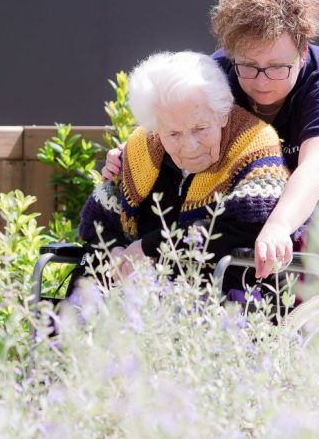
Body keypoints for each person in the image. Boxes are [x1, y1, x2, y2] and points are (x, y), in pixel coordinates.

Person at [104, 0, 319, 332]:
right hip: (287, 198)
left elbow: (317, 169)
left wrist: (278, 227)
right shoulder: (220, 72)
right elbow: (177, 117)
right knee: (286, 319)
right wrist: (133, 151)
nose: (262, 80)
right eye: (249, 66)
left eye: (278, 67)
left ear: (303, 50)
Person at [80, 50, 297, 302]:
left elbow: (247, 227)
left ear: (223, 113)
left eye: (200, 128)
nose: (190, 146)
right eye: (173, 134)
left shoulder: (254, 144)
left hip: (225, 296)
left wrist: (150, 246)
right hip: (139, 297)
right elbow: (97, 223)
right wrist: (114, 250)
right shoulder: (142, 147)